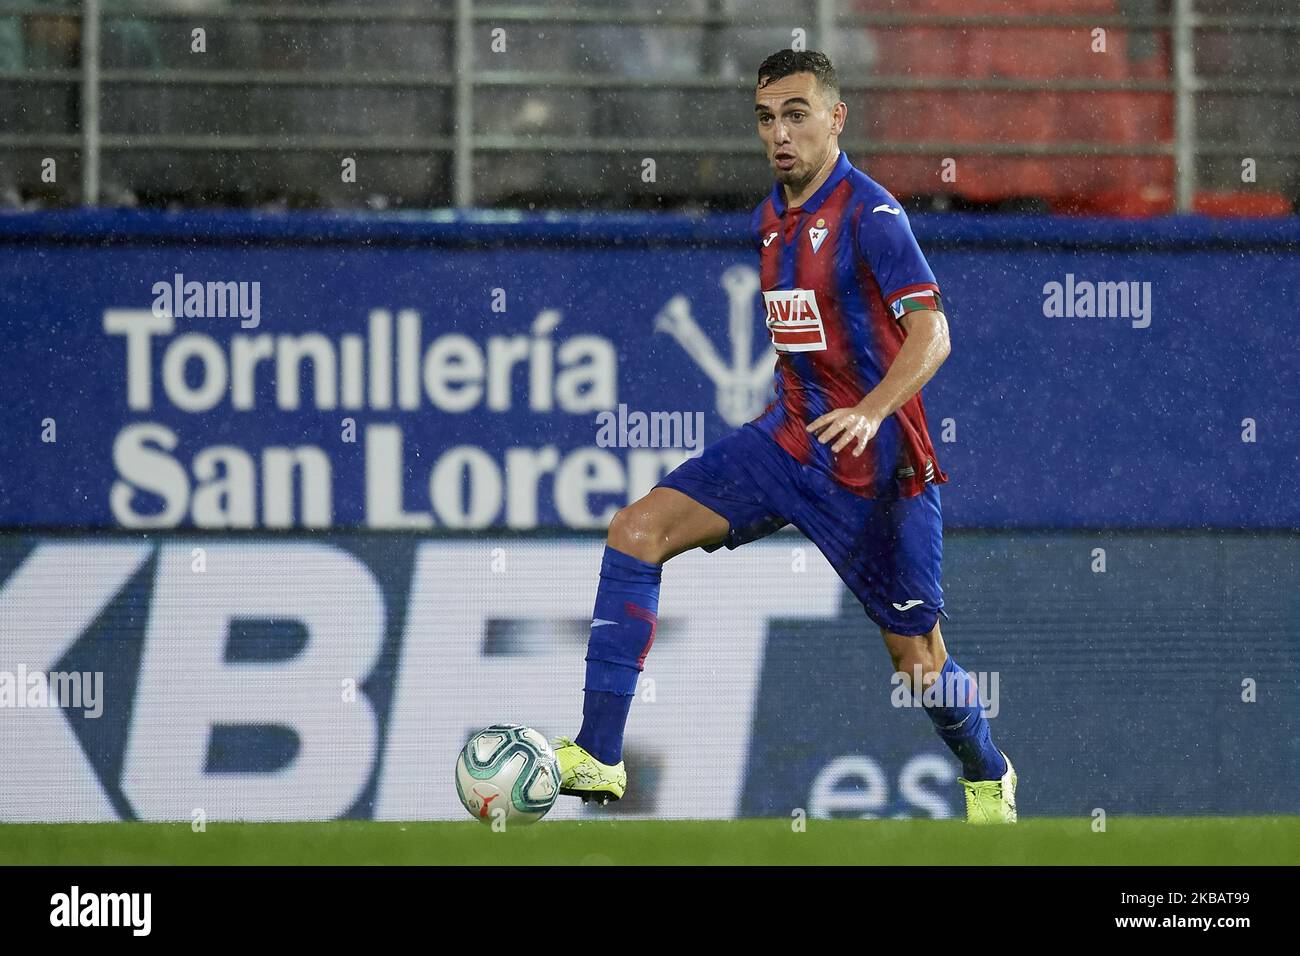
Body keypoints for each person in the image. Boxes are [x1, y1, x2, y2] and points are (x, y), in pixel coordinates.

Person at [552, 49, 1016, 824]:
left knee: (919, 667)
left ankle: (987, 771)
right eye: (767, 118)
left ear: (837, 119)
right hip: (789, 444)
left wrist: (870, 410)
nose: (780, 134)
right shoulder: (770, 219)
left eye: (797, 115)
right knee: (636, 531)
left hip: (879, 474)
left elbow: (932, 334)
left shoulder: (874, 215)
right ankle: (599, 755)